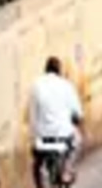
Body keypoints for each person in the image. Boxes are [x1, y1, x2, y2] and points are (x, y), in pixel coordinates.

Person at [30, 57, 83, 188]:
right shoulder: (66, 85)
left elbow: (32, 115)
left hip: (42, 139)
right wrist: (76, 119)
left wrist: (34, 136)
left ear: (45, 70)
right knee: (78, 140)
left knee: (36, 163)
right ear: (59, 71)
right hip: (63, 137)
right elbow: (78, 113)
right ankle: (66, 170)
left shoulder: (36, 85)